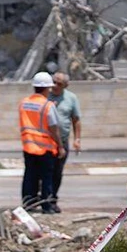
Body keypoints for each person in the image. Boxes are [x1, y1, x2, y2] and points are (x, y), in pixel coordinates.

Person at [19, 71, 64, 215]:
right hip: (46, 149)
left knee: (29, 175)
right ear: (47, 88)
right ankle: (46, 206)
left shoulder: (24, 103)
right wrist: (60, 146)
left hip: (28, 146)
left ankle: (28, 203)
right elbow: (53, 127)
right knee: (46, 178)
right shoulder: (47, 105)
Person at [49, 72, 82, 212]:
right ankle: (42, 198)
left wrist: (77, 139)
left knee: (57, 172)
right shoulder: (45, 95)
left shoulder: (71, 98)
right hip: (46, 141)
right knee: (45, 172)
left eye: (59, 84)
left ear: (66, 86)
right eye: (53, 82)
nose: (55, 86)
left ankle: (52, 200)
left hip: (62, 141)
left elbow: (76, 119)